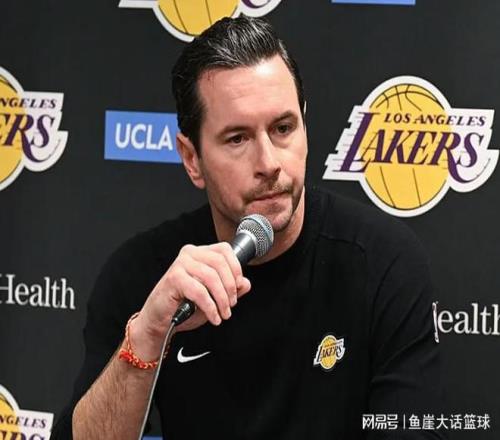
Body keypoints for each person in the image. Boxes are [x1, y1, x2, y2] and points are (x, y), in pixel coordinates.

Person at [51, 16, 446, 439]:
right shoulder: (144, 275)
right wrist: (148, 334)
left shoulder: (383, 261)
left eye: (283, 129)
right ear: (191, 158)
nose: (269, 163)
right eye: (237, 138)